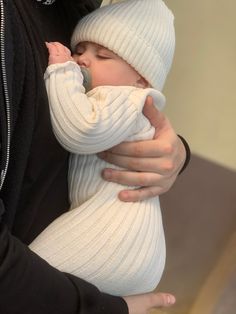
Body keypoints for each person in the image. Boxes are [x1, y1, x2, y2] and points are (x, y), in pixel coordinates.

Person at [0, 0, 189, 313]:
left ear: (142, 79)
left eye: (101, 55)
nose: (83, 61)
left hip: (118, 240)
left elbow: (83, 128)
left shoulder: (80, 12)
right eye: (81, 51)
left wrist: (176, 153)